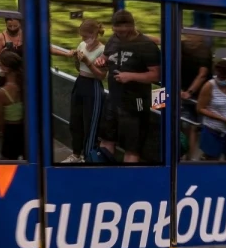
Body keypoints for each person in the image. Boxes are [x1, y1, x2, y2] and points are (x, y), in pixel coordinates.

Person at [95, 10, 162, 163]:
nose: (123, 32)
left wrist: (130, 76)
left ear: (132, 26)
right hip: (113, 98)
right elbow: (105, 57)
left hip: (137, 101)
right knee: (106, 139)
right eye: (119, 29)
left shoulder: (146, 45)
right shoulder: (113, 40)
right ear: (113, 28)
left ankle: (128, 179)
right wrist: (101, 61)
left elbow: (156, 75)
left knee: (132, 147)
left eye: (126, 28)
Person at [64, 18, 106, 163]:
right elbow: (79, 68)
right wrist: (77, 59)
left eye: (85, 36)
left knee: (90, 122)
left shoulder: (102, 50)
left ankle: (88, 155)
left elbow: (102, 75)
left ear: (94, 34)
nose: (83, 39)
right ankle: (76, 153)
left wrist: (88, 62)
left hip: (93, 86)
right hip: (80, 82)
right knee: (75, 120)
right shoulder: (82, 44)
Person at [180, 33, 212, 160]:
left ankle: (192, 157)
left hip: (198, 94)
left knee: (194, 125)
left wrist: (190, 92)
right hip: (181, 90)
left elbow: (202, 74)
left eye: (193, 36)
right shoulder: (182, 46)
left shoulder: (204, 51)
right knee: (187, 125)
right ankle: (186, 155)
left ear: (200, 39)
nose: (189, 38)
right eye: (189, 35)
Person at [0, 51, 26, 160]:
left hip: (10, 132)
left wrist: (1, 131)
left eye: (0, 65)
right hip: (25, 130)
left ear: (6, 69)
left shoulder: (1, 93)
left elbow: (0, 119)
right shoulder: (24, 86)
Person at [0, 18, 24, 88]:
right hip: (6, 78)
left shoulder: (26, 36)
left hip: (22, 76)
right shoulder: (0, 37)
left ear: (20, 24)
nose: (12, 29)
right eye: (10, 26)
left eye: (15, 26)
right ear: (6, 24)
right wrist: (1, 53)